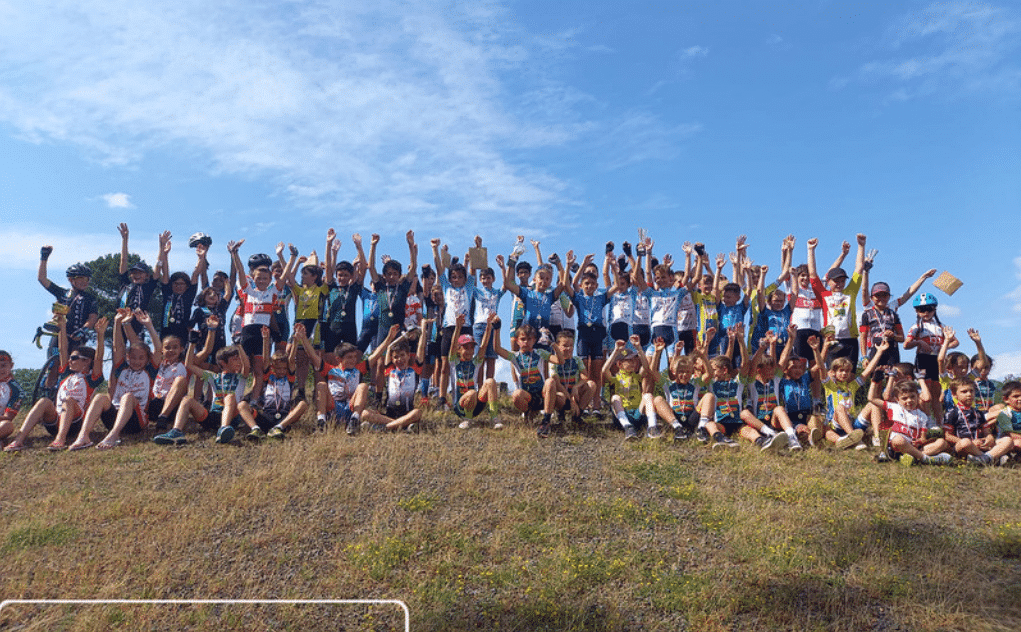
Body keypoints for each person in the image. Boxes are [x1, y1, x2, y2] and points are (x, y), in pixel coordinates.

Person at [5, 314, 107, 451]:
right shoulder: (66, 374)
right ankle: (18, 441)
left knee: (69, 400)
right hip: (54, 421)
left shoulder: (91, 378)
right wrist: (62, 326)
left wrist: (100, 335)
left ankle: (60, 439)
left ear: (87, 361)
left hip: (75, 423)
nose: (70, 360)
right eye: (70, 358)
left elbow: (99, 357)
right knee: (44, 401)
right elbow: (62, 349)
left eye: (74, 358)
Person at [70, 309, 161, 450]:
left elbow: (158, 349)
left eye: (141, 358)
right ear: (128, 357)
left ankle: (113, 436)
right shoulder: (122, 368)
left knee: (128, 397)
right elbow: (117, 346)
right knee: (101, 397)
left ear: (147, 359)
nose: (137, 361)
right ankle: (83, 436)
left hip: (135, 422)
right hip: (114, 416)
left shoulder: (149, 371)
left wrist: (149, 325)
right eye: (133, 357)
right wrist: (117, 322)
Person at [153, 334, 249, 446]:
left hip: (232, 418)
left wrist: (239, 346)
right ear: (223, 363)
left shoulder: (241, 377)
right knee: (186, 399)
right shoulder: (214, 377)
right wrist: (192, 344)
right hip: (213, 416)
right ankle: (176, 431)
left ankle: (224, 428)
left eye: (239, 359)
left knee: (230, 397)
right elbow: (189, 365)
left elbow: (246, 366)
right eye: (235, 359)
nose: (240, 362)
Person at [237, 323, 314, 440]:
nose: (282, 371)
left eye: (284, 368)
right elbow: (265, 360)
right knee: (242, 405)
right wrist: (265, 339)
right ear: (273, 368)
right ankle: (255, 429)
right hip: (266, 415)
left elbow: (292, 360)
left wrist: (296, 341)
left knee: (303, 404)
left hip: (284, 417)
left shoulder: (289, 377)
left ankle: (278, 428)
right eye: (278, 368)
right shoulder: (269, 376)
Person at [817, 334, 890, 450]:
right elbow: (821, 367)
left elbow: (868, 370)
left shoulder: (852, 386)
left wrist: (879, 352)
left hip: (851, 422)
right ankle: (855, 439)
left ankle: (877, 437)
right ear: (834, 372)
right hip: (836, 424)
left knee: (873, 404)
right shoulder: (830, 386)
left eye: (847, 371)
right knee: (840, 408)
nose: (844, 373)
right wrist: (817, 350)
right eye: (841, 371)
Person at [361, 323, 431, 432]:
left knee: (417, 413)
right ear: (392, 359)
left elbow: (421, 347)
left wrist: (422, 329)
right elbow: (389, 347)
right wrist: (402, 336)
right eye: (395, 357)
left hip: (408, 414)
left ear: (408, 356)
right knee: (365, 413)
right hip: (389, 415)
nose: (399, 359)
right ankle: (401, 426)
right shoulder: (389, 371)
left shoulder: (415, 370)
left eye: (402, 355)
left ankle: (383, 428)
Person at [494, 324, 557, 437]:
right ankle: (528, 413)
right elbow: (497, 349)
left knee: (550, 382)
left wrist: (553, 344)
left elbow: (560, 361)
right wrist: (497, 329)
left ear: (535, 340)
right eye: (523, 339)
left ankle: (546, 421)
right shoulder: (515, 356)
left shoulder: (540, 353)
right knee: (516, 394)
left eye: (529, 339)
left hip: (542, 395)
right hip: (527, 396)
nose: (526, 342)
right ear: (517, 341)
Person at [869, 380, 952, 466]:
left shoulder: (922, 415)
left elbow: (923, 437)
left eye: (912, 397)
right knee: (898, 440)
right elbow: (871, 399)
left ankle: (913, 457)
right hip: (898, 446)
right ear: (897, 399)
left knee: (941, 442)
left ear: (918, 396)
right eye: (904, 398)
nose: (909, 400)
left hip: (914, 447)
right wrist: (874, 381)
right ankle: (926, 459)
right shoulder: (893, 407)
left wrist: (920, 441)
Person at [943, 378, 1012, 466]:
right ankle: (991, 458)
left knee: (1008, 440)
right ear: (954, 394)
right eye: (964, 392)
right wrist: (971, 443)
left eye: (971, 391)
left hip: (980, 445)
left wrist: (989, 438)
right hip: (963, 446)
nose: (969, 394)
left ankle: (983, 459)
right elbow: (947, 436)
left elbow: (987, 432)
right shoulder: (951, 413)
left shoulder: (979, 413)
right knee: (965, 443)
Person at [602, 335, 659, 441]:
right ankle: (628, 427)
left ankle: (652, 427)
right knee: (615, 398)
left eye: (634, 360)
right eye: (629, 360)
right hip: (623, 416)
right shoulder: (615, 379)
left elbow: (646, 367)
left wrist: (638, 348)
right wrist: (615, 351)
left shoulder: (636, 376)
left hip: (638, 413)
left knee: (648, 395)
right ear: (619, 364)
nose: (634, 362)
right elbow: (604, 370)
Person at [449, 315, 500, 430]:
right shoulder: (454, 362)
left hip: (476, 405)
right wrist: (458, 327)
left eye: (472, 347)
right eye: (465, 347)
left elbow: (484, 345)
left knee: (490, 381)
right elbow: (452, 346)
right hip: (459, 406)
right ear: (459, 349)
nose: (469, 351)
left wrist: (488, 326)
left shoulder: (475, 363)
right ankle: (467, 420)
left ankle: (494, 418)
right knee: (472, 392)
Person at [314, 341, 372, 435]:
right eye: (349, 357)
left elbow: (376, 356)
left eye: (354, 357)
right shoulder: (330, 369)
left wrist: (389, 338)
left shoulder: (358, 369)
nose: (353, 360)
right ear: (339, 359)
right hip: (333, 406)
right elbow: (314, 357)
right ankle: (321, 422)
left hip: (351, 406)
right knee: (321, 384)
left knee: (363, 386)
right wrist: (303, 339)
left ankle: (354, 420)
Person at [155, 233, 202, 344]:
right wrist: (165, 254)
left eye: (182, 284)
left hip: (183, 333)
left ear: (187, 286)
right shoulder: (168, 293)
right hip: (166, 331)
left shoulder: (189, 295)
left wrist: (201, 257)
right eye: (176, 284)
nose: (178, 286)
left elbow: (195, 274)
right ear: (171, 285)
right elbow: (165, 272)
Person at [116, 224, 161, 340]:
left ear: (147, 275)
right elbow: (124, 259)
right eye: (134, 272)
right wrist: (125, 239)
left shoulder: (148, 286)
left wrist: (162, 247)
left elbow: (157, 268)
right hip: (121, 319)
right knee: (118, 350)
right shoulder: (126, 284)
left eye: (140, 273)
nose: (136, 275)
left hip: (138, 322)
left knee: (136, 349)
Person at [549, 329, 596, 427]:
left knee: (591, 385)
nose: (569, 348)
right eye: (565, 346)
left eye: (571, 345)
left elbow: (584, 376)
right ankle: (560, 415)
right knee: (559, 396)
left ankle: (577, 416)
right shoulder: (553, 361)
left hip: (575, 393)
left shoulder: (576, 360)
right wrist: (571, 400)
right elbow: (557, 383)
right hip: (562, 393)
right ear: (557, 346)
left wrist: (576, 388)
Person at [0, 351, 24, 441]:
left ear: (11, 366)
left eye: (3, 366)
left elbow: (8, 417)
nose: (0, 369)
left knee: (8, 425)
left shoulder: (16, 390)